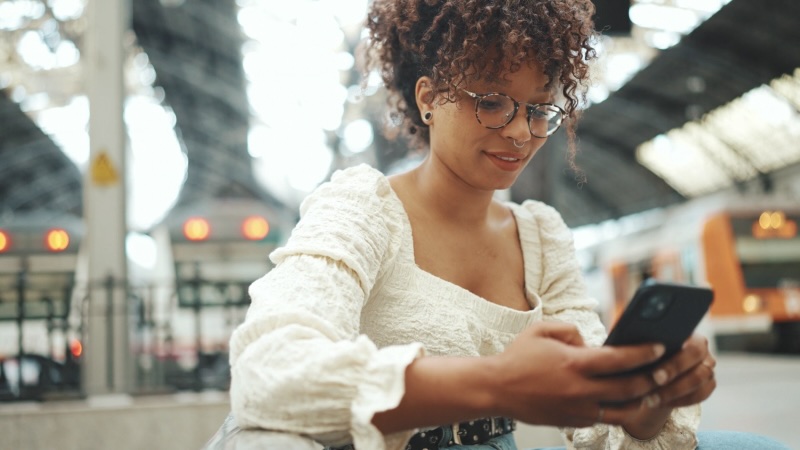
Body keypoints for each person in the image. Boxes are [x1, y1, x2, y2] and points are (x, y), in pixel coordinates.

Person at [224, 1, 784, 450]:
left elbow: (605, 424)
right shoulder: (363, 208)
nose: (520, 133)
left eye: (540, 110)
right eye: (492, 102)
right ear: (428, 99)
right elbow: (271, 371)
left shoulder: (541, 237)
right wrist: (498, 384)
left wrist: (650, 395)